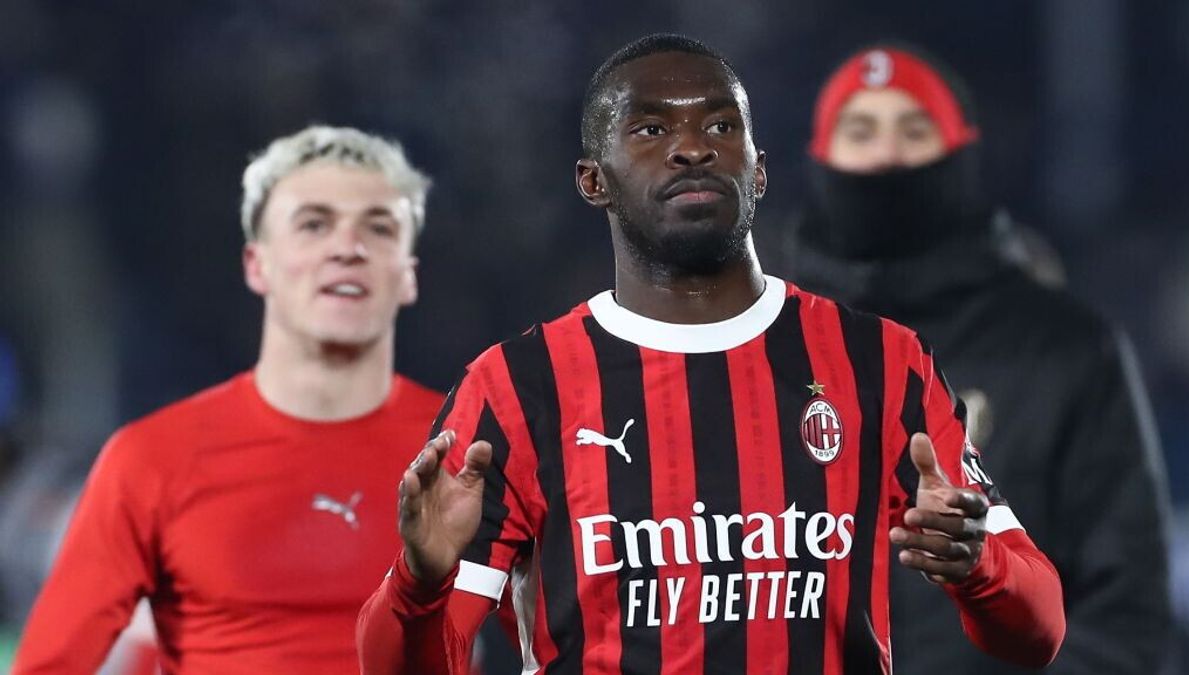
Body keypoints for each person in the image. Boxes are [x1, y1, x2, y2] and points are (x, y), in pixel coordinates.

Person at [357, 34, 1065, 674]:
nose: (693, 146)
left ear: (758, 169)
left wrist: (979, 568)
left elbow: (1039, 631)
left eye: (721, 125)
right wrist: (419, 587)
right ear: (592, 180)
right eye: (651, 128)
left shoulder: (880, 360)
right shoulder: (515, 388)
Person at [787, 44, 1170, 673]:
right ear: (822, 158)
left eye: (915, 129)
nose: (887, 155)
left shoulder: (1064, 346)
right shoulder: (766, 342)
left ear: (961, 151)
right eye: (861, 131)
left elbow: (1127, 616)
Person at [13, 125, 446, 674]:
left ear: (408, 275)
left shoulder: (473, 449)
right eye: (313, 225)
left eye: (378, 228)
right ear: (255, 264)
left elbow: (566, 644)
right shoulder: (150, 460)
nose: (347, 248)